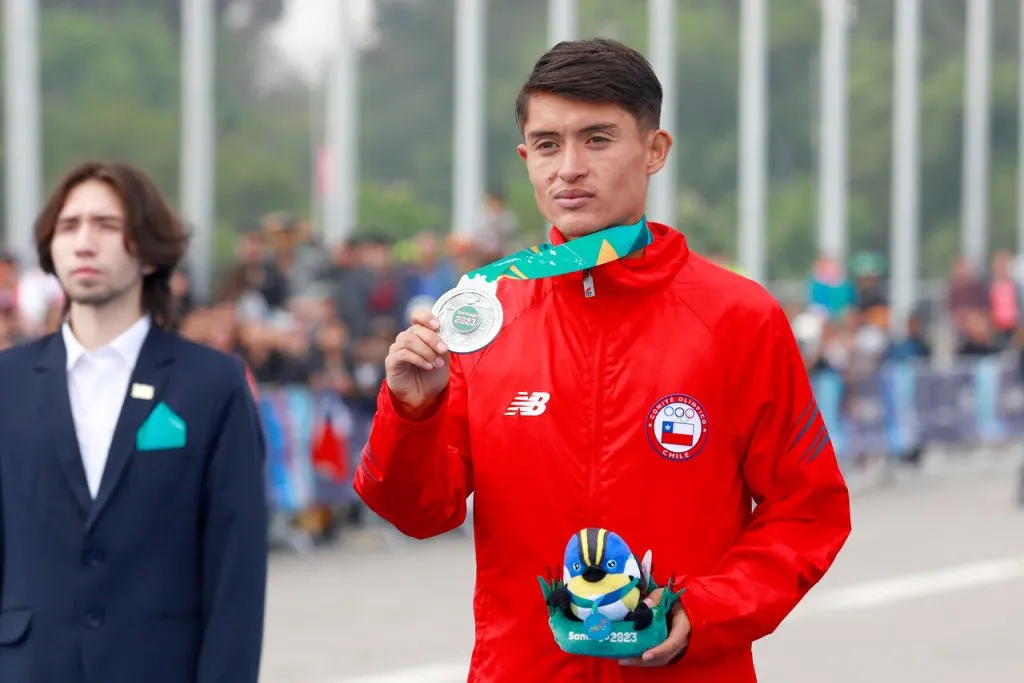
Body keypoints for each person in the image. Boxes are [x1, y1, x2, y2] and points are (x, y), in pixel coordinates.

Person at [354, 38, 851, 682]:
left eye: (597, 139)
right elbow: (420, 512)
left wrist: (703, 611)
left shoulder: (737, 317)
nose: (568, 169)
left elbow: (808, 509)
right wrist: (413, 410)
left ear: (655, 150)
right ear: (525, 156)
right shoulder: (480, 314)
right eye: (548, 144)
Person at [0, 160, 268, 683]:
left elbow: (236, 572)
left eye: (106, 225)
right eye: (69, 225)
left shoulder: (212, 385)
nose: (83, 242)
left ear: (147, 250)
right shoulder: (6, 382)